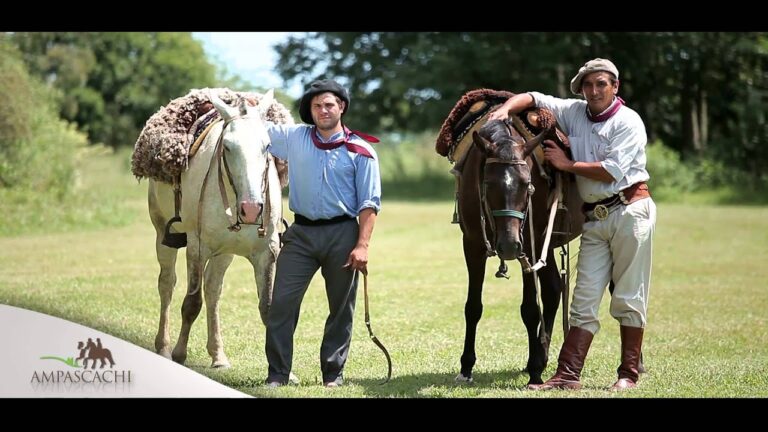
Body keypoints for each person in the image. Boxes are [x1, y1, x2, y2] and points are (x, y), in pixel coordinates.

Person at [489, 58, 656, 391]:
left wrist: (566, 163)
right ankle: (568, 374)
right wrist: (504, 110)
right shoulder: (575, 111)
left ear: (615, 86)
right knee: (583, 298)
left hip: (630, 212)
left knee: (628, 296)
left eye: (601, 84)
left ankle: (629, 373)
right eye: (588, 85)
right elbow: (533, 97)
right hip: (594, 216)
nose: (594, 91)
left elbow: (612, 170)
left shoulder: (629, 122)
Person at [263, 79, 382, 388]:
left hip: (342, 234)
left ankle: (333, 375)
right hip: (300, 234)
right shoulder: (293, 138)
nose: (323, 110)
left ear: (341, 107)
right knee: (281, 305)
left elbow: (370, 204)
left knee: (341, 309)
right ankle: (277, 374)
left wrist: (363, 246)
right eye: (317, 106)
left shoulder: (362, 150)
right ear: (310, 110)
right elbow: (253, 130)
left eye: (329, 104)